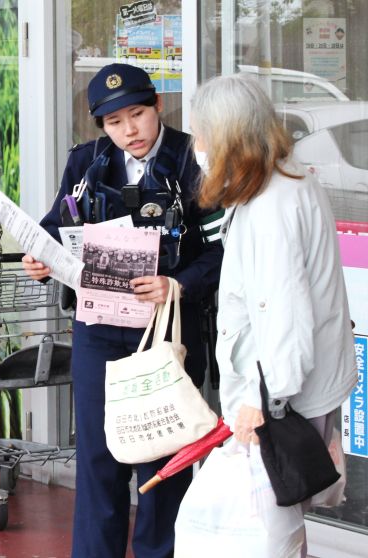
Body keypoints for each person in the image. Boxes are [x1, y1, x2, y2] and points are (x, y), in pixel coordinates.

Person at [23, 63, 223, 557]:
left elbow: (222, 250)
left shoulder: (192, 161)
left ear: (158, 106)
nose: (128, 130)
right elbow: (56, 226)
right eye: (114, 122)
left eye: (137, 114)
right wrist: (41, 257)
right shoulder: (86, 163)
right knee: (98, 458)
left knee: (162, 461)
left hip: (166, 331)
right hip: (98, 330)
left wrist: (177, 283)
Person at [190, 73, 356, 552]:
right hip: (294, 384)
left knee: (271, 524)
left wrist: (263, 404)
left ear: (226, 138)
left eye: (202, 134)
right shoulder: (284, 178)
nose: (197, 145)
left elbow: (280, 309)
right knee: (278, 519)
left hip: (281, 392)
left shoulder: (270, 206)